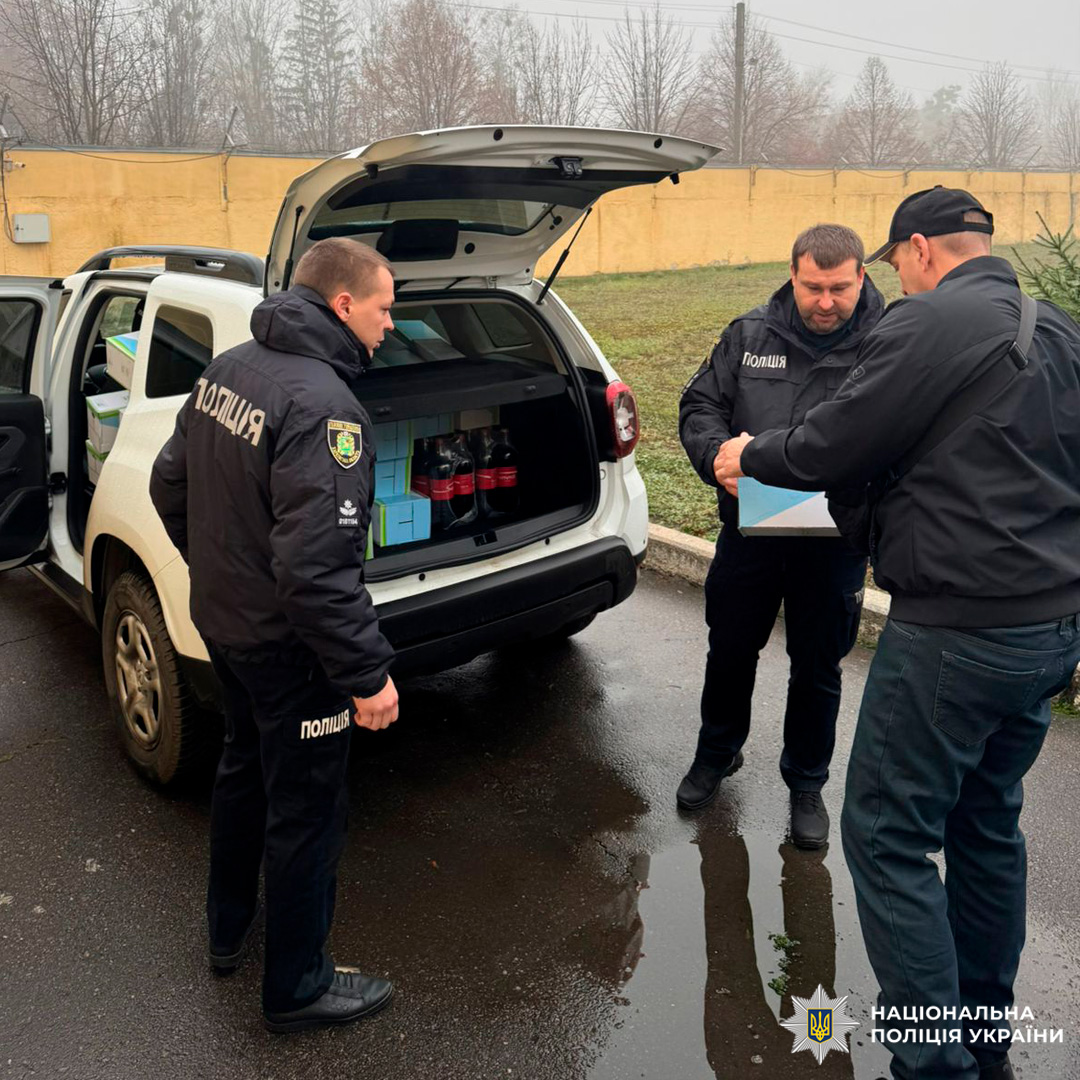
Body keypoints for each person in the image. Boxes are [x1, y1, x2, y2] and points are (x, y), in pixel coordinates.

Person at [714, 187, 1080, 1080]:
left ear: (917, 249)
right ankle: (984, 1040)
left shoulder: (927, 323)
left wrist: (745, 457)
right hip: (1050, 628)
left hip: (955, 631)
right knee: (986, 823)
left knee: (884, 834)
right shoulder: (1061, 329)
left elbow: (831, 443)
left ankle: (933, 1065)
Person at [150, 237, 400, 1034]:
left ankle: (229, 932)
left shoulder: (231, 368)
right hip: (291, 653)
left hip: (225, 625)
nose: (391, 326)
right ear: (343, 305)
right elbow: (319, 572)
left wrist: (220, 574)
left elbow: (170, 482)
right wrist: (367, 675)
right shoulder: (327, 407)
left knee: (242, 770)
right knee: (306, 811)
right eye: (385, 309)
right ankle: (296, 985)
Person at [677, 223, 884, 849]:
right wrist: (714, 454)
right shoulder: (748, 336)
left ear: (862, 277)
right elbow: (700, 407)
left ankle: (806, 782)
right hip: (754, 532)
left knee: (818, 666)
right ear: (791, 275)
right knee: (731, 648)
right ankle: (717, 754)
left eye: (839, 289)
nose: (825, 302)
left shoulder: (889, 343)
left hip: (837, 539)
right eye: (813, 287)